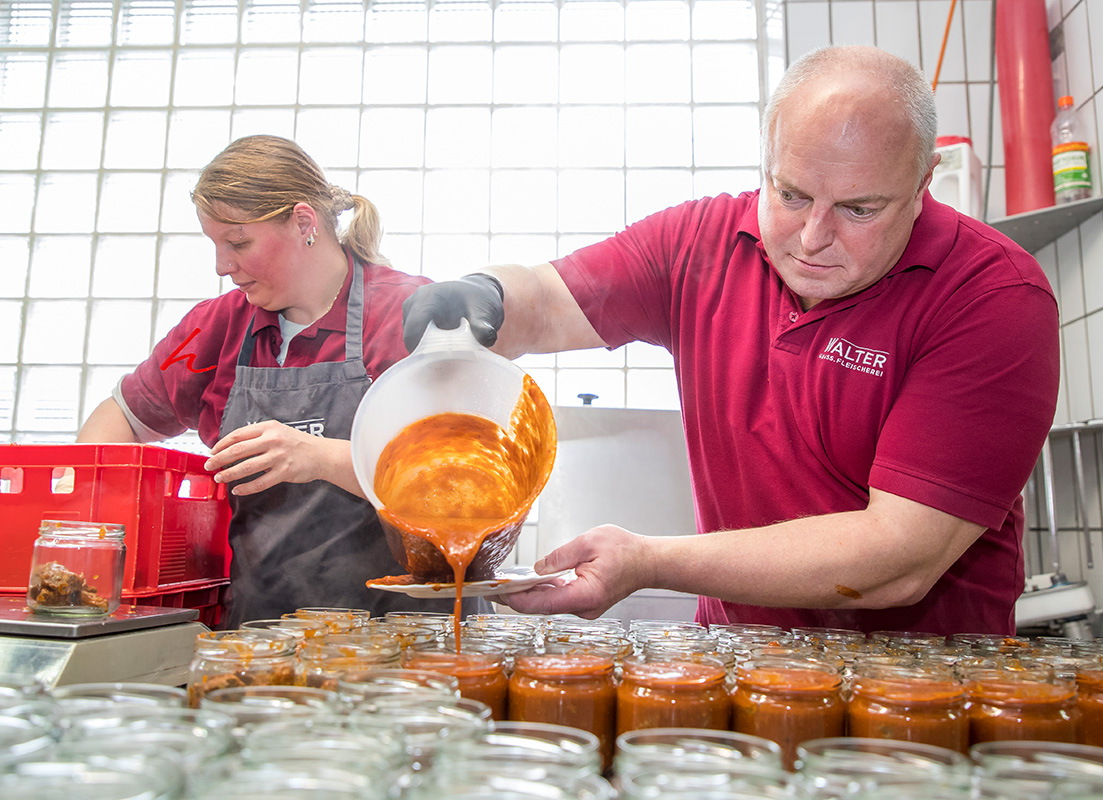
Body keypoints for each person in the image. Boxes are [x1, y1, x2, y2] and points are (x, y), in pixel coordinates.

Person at [400, 45, 1060, 636]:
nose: (812, 237)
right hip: (741, 668)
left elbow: (898, 559)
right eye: (791, 194)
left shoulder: (990, 296)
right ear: (766, 163)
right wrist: (482, 296)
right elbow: (546, 303)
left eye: (859, 209)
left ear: (922, 187)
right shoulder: (699, 245)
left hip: (921, 697)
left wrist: (648, 562)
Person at [78, 135, 490, 628]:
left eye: (238, 242)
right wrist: (86, 540)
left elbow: (461, 481)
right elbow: (120, 418)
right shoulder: (217, 328)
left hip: (412, 642)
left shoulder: (411, 316)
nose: (221, 266)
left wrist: (318, 457)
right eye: (214, 245)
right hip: (265, 639)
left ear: (302, 222)